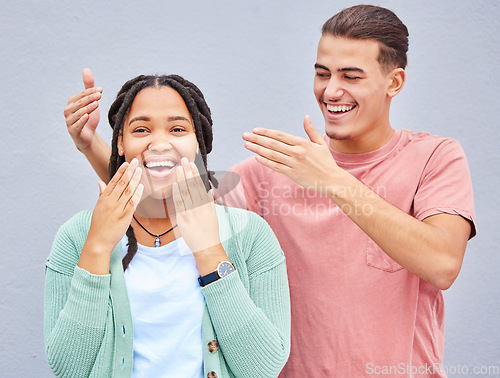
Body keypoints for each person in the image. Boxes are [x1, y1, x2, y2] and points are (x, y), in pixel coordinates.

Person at [63, 5, 476, 377]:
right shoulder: (272, 171)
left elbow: (441, 263)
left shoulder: (434, 157)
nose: (331, 91)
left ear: (394, 82)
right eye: (322, 73)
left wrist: (333, 181)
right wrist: (92, 145)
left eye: (351, 76)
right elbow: (164, 204)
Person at [45, 74, 290, 377]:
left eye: (177, 129)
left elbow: (262, 369)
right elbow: (68, 369)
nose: (160, 143)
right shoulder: (77, 236)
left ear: (198, 142)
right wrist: (97, 247)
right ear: (121, 142)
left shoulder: (250, 234)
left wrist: (209, 251)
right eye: (141, 129)